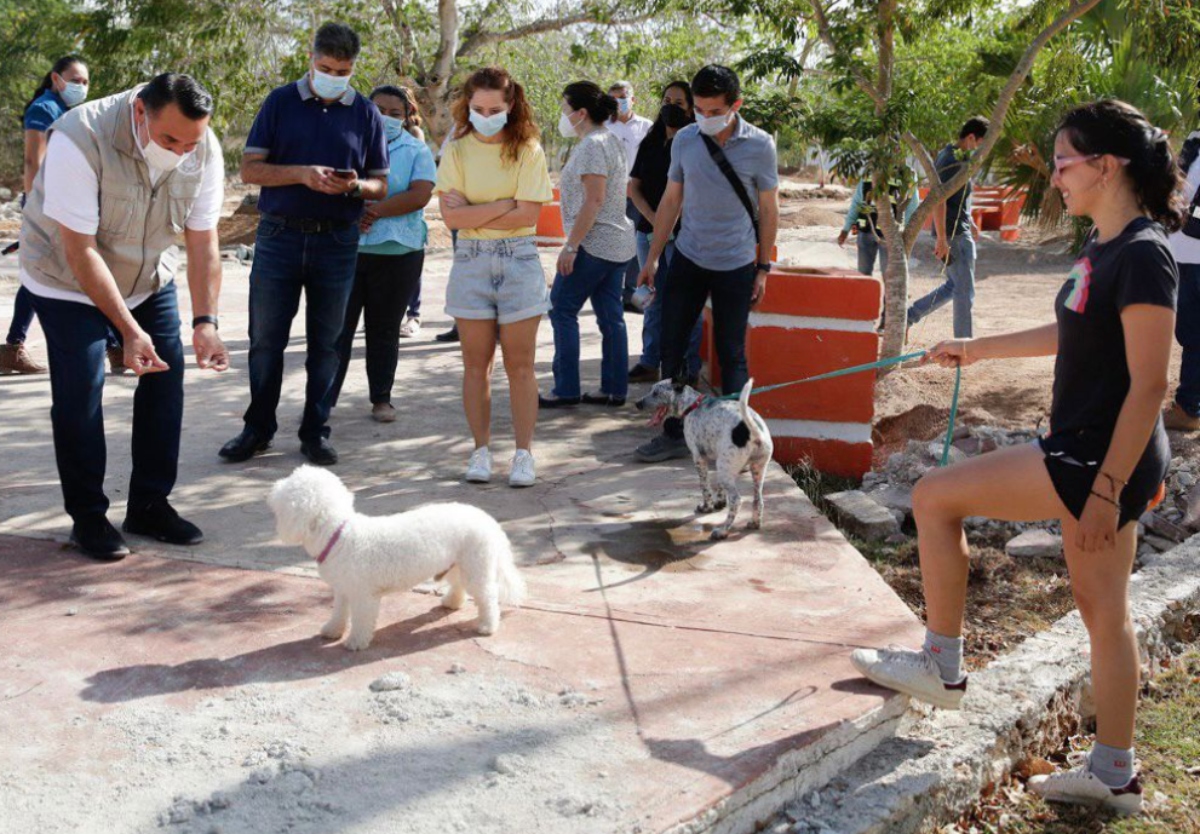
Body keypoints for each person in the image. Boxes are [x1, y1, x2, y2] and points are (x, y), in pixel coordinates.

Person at [852, 100, 1181, 815]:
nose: (1055, 175)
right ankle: (1115, 774)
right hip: (1098, 455)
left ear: (1106, 164)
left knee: (934, 496)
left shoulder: (1143, 253)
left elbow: (1153, 382)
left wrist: (1105, 489)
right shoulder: (1105, 244)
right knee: (1105, 612)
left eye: (1064, 161)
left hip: (1094, 458)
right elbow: (1071, 332)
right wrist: (976, 348)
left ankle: (942, 665)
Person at [18, 73, 228, 560]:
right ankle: (88, 516)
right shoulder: (79, 136)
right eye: (169, 138)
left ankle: (150, 505)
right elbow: (79, 248)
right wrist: (127, 332)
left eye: (190, 142)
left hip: (147, 275)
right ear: (140, 112)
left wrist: (206, 321)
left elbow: (202, 239)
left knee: (165, 379)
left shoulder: (203, 146)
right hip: (65, 279)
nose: (180, 151)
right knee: (81, 392)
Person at [219, 22, 389, 467]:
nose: (334, 75)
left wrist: (356, 187)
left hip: (338, 241)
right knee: (265, 341)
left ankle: (316, 431)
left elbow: (381, 185)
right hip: (279, 237)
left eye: (344, 69)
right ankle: (257, 429)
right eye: (326, 67)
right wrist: (300, 173)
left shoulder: (366, 112)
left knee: (328, 344)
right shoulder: (279, 102)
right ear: (311, 60)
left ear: (354, 67)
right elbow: (251, 170)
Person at [634, 65, 779, 463]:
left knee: (732, 354)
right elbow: (670, 200)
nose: (704, 117)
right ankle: (674, 432)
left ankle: (738, 438)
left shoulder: (760, 145)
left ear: (736, 105)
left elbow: (769, 209)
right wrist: (652, 258)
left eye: (714, 110)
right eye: (698, 109)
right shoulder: (685, 139)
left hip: (735, 264)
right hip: (688, 259)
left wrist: (762, 266)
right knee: (673, 348)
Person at [435, 67, 554, 487]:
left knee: (521, 366)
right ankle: (480, 452)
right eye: (478, 108)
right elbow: (451, 216)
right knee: (475, 366)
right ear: (467, 106)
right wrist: (505, 203)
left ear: (511, 106)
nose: (486, 115)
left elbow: (529, 215)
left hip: (519, 261)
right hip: (470, 261)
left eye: (495, 109)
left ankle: (524, 455)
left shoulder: (528, 149)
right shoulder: (456, 149)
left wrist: (478, 210)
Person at [1, 56, 122, 376]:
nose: (81, 87)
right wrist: (37, 210)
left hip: (71, 204)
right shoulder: (44, 109)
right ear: (56, 79)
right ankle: (115, 347)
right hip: (52, 207)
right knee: (84, 273)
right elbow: (32, 161)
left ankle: (12, 347)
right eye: (75, 80)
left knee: (44, 276)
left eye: (85, 82)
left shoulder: (68, 112)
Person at [328, 85, 435, 423]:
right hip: (346, 251)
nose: (386, 118)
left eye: (395, 113)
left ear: (406, 118)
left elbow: (420, 194)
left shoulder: (417, 150)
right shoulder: (343, 141)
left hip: (399, 253)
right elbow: (329, 184)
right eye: (379, 110)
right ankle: (323, 400)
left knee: (384, 329)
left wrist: (374, 212)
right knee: (336, 330)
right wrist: (351, 212)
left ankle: (382, 399)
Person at [540, 81, 635, 409]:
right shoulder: (610, 140)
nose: (563, 115)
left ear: (581, 113)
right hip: (616, 244)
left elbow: (593, 200)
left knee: (561, 309)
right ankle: (614, 389)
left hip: (594, 244)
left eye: (566, 109)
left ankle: (566, 388)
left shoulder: (593, 144)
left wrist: (571, 246)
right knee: (611, 318)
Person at [627, 80, 698, 384]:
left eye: (679, 102)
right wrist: (656, 220)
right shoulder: (651, 142)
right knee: (651, 298)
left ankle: (687, 367)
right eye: (666, 100)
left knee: (684, 300)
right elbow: (634, 188)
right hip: (647, 232)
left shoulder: (696, 144)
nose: (670, 106)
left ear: (691, 108)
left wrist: (668, 224)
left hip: (684, 236)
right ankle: (649, 361)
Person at [906, 117, 990, 338]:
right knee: (964, 292)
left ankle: (910, 316)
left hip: (957, 231)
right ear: (971, 137)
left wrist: (969, 219)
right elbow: (939, 199)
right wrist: (942, 238)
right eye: (981, 143)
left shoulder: (952, 155)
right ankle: (963, 345)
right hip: (955, 236)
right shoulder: (952, 160)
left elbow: (957, 197)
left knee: (955, 286)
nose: (981, 149)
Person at [1164, 127, 1200, 431]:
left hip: (1192, 254)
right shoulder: (1194, 140)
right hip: (1185, 252)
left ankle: (1189, 407)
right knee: (1191, 333)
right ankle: (1189, 405)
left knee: (1193, 333)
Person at [605, 80, 653, 310]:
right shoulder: (602, 127)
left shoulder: (647, 127)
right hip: (608, 195)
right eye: (613, 99)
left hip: (637, 195)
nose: (618, 103)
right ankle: (609, 293)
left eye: (622, 98)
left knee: (635, 243)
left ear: (632, 99)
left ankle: (630, 293)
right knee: (611, 243)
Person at [837, 169, 920, 277]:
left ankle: (889, 294)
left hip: (889, 235)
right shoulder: (869, 171)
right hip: (864, 232)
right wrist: (846, 229)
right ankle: (866, 294)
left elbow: (912, 206)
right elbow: (857, 203)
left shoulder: (907, 173)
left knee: (889, 275)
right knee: (863, 275)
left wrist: (907, 234)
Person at [396, 84, 427, 339]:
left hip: (407, 207)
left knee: (411, 264)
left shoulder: (414, 133)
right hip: (385, 207)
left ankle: (413, 315)